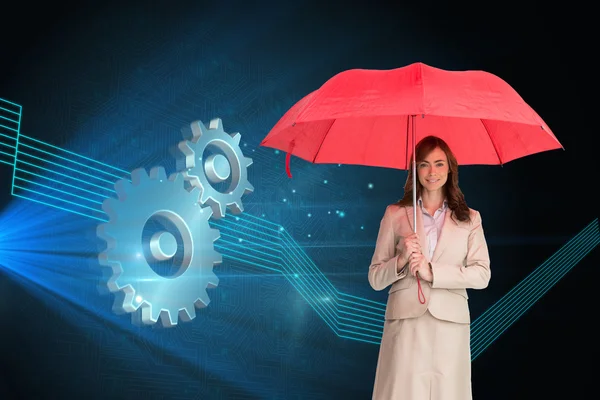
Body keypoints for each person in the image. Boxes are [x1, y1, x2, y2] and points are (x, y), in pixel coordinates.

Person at [368, 135, 491, 400]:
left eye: (438, 164)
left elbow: (482, 274)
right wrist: (400, 261)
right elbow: (376, 278)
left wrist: (431, 272)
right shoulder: (395, 214)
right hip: (406, 322)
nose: (432, 172)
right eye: (424, 164)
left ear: (450, 168)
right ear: (416, 170)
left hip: (450, 324)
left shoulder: (470, 219)